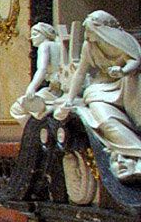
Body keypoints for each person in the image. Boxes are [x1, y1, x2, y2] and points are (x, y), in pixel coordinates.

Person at [54, 10, 141, 181]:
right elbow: (80, 73)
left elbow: (135, 61)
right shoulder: (89, 46)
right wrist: (69, 99)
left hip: (129, 86)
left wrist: (123, 71)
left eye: (90, 30)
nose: (87, 35)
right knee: (105, 121)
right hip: (101, 89)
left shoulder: (123, 41)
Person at [11, 22, 65, 121]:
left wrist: (32, 87)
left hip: (55, 91)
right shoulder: (59, 45)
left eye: (35, 34)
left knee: (17, 108)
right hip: (58, 88)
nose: (31, 38)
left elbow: (42, 69)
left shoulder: (44, 45)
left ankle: (37, 126)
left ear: (45, 34)